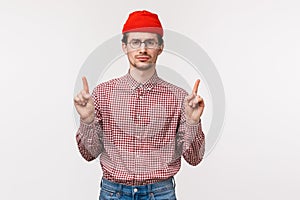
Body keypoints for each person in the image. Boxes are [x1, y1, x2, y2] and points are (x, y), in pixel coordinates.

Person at [74, 10, 205, 200]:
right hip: (113, 193)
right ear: (124, 46)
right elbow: (89, 154)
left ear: (160, 47)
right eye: (135, 42)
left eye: (150, 42)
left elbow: (194, 159)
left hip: (161, 193)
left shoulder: (179, 98)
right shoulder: (102, 94)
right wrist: (87, 120)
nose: (142, 49)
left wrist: (193, 122)